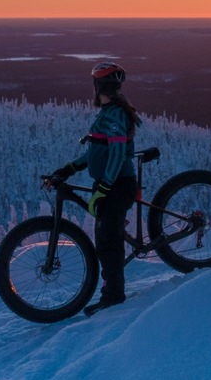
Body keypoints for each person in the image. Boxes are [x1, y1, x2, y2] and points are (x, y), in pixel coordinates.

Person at [50, 61, 141, 316]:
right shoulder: (109, 111)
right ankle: (112, 288)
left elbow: (116, 151)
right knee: (106, 233)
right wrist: (69, 168)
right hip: (112, 184)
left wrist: (105, 184)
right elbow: (97, 151)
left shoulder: (115, 114)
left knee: (107, 241)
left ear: (98, 85)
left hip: (119, 185)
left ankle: (114, 296)